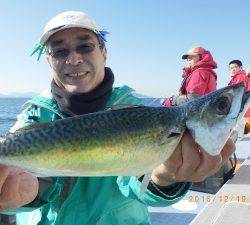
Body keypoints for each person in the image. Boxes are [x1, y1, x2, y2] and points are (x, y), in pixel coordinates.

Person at [0, 11, 235, 225]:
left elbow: (138, 185)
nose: (73, 59)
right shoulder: (32, 116)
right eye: (60, 51)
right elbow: (28, 182)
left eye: (84, 47)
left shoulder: (136, 112)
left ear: (103, 52)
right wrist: (23, 198)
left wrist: (164, 179)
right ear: (49, 61)